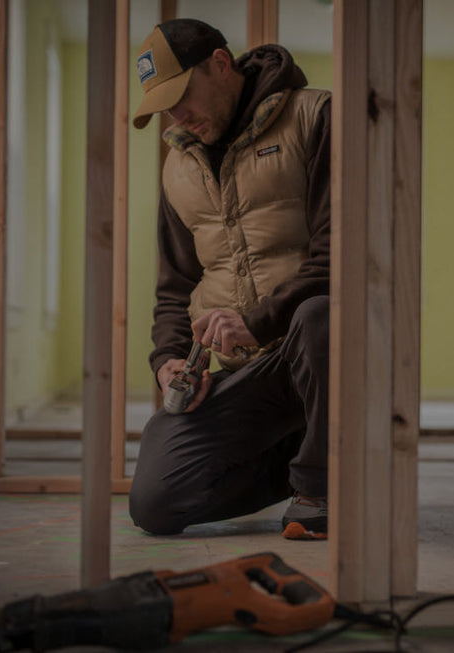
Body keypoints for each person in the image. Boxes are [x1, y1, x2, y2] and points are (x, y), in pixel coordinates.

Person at [128, 18, 331, 541]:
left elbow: (343, 257)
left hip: (323, 353)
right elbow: (175, 287)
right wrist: (168, 360)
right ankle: (311, 454)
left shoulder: (316, 116)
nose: (177, 117)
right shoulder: (179, 167)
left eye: (182, 97)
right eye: (165, 107)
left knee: (321, 315)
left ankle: (322, 485)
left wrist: (256, 321)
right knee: (156, 501)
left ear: (221, 65)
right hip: (251, 374)